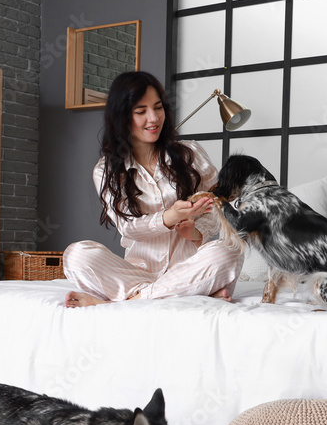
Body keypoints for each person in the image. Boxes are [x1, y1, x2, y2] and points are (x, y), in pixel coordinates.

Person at [63, 71, 243, 308]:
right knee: (77, 255)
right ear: (122, 117)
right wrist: (170, 217)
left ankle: (118, 303)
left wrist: (196, 233)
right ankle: (186, 294)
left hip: (189, 269)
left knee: (229, 250)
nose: (154, 118)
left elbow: (215, 209)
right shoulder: (106, 170)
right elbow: (127, 226)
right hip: (137, 274)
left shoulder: (191, 154)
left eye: (158, 108)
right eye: (141, 112)